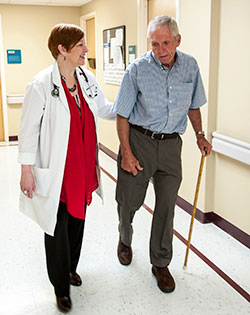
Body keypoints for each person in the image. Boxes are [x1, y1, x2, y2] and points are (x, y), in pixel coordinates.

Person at [18, 23, 115, 312]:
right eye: (81, 45)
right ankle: (61, 288)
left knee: (77, 223)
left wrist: (130, 105)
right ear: (63, 49)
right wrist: (26, 170)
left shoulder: (85, 77)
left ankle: (71, 268)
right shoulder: (40, 84)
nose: (86, 49)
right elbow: (28, 131)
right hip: (57, 170)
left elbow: (104, 108)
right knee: (57, 228)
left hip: (82, 167)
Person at [114, 15, 212, 293]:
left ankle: (160, 263)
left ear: (178, 41)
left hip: (171, 147)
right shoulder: (137, 69)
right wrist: (127, 153)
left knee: (167, 206)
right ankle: (124, 237)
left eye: (165, 43)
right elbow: (122, 115)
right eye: (154, 44)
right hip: (139, 141)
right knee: (129, 201)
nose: (160, 50)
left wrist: (200, 135)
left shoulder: (190, 66)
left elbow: (193, 106)